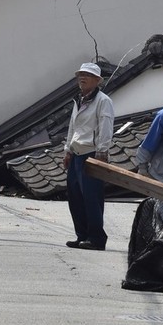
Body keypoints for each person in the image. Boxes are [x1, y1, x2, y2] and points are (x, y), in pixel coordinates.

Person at [63, 63, 114, 251]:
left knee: (92, 197)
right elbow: (72, 127)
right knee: (75, 197)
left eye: (87, 75)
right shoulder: (79, 99)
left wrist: (102, 152)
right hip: (76, 153)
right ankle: (82, 235)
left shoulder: (103, 100)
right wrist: (67, 150)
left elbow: (106, 126)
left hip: (92, 154)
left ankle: (96, 238)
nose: (82, 78)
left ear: (97, 80)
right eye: (80, 75)